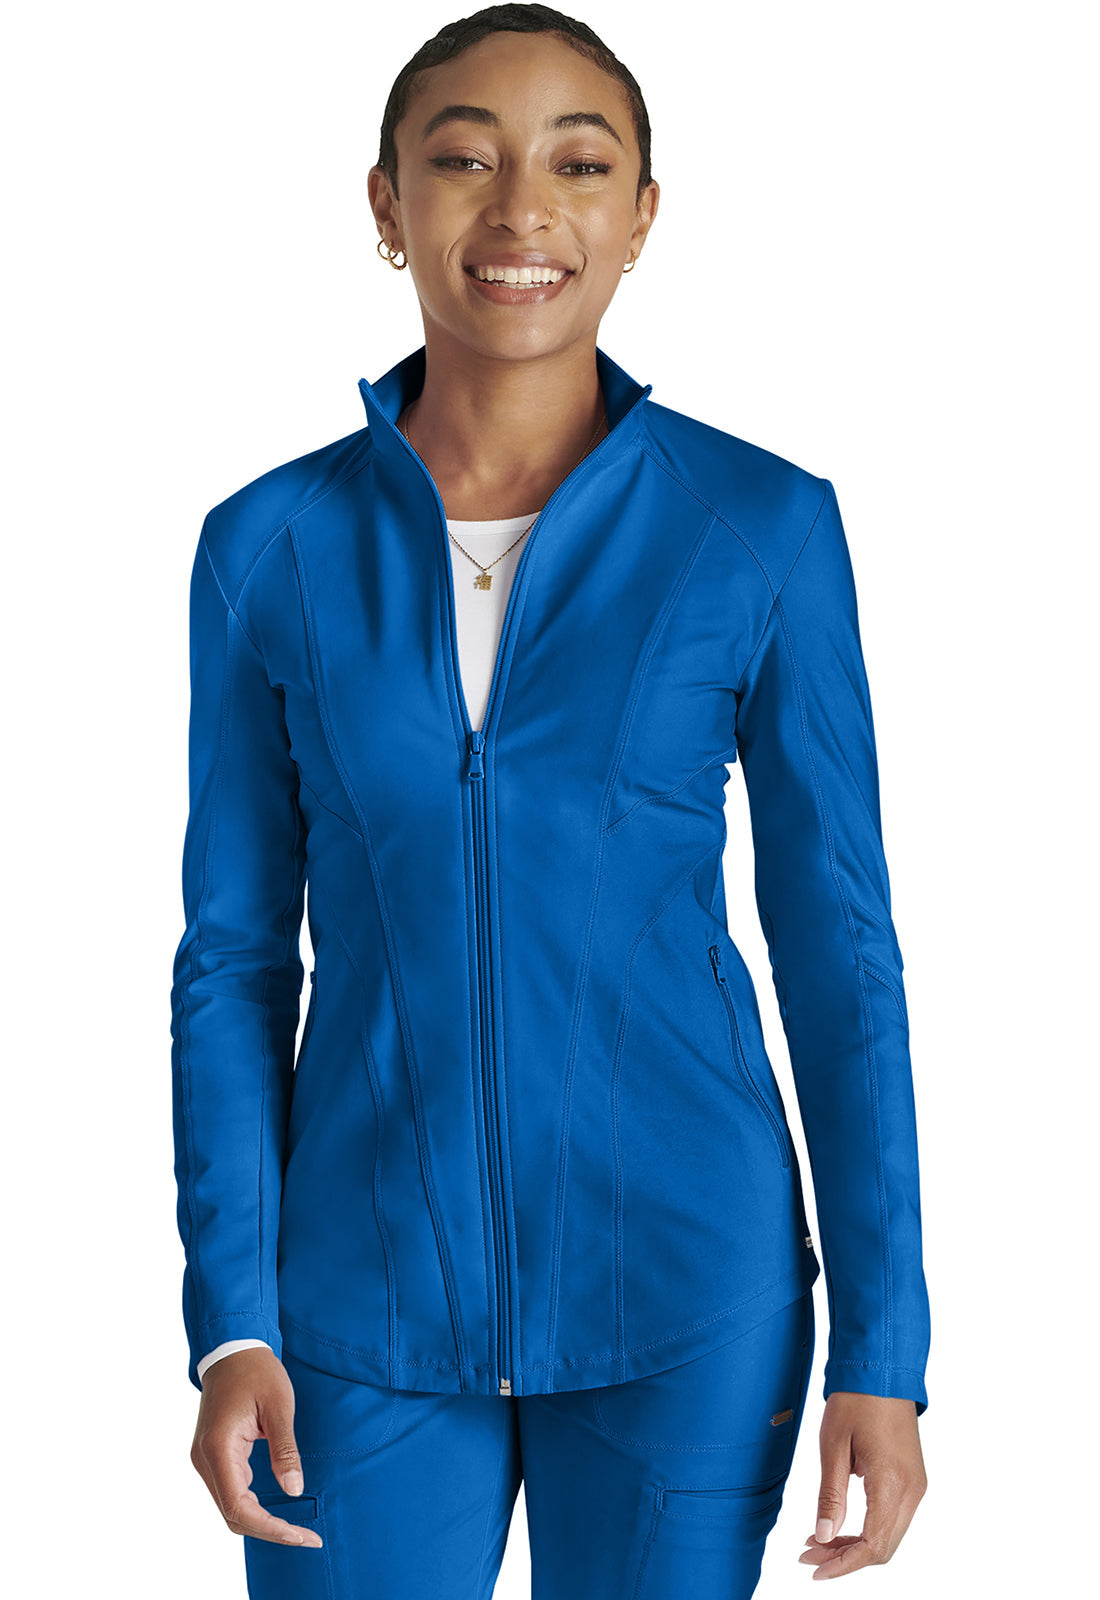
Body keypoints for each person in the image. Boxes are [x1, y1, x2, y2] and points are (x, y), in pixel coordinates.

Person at [171, 6, 930, 1596]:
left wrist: (887, 1346)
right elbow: (233, 961)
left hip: (690, 1294)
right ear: (387, 204)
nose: (522, 209)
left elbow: (840, 952)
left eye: (579, 166)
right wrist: (231, 1318)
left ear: (641, 215)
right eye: (464, 160)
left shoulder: (761, 527)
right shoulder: (268, 547)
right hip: (354, 1304)